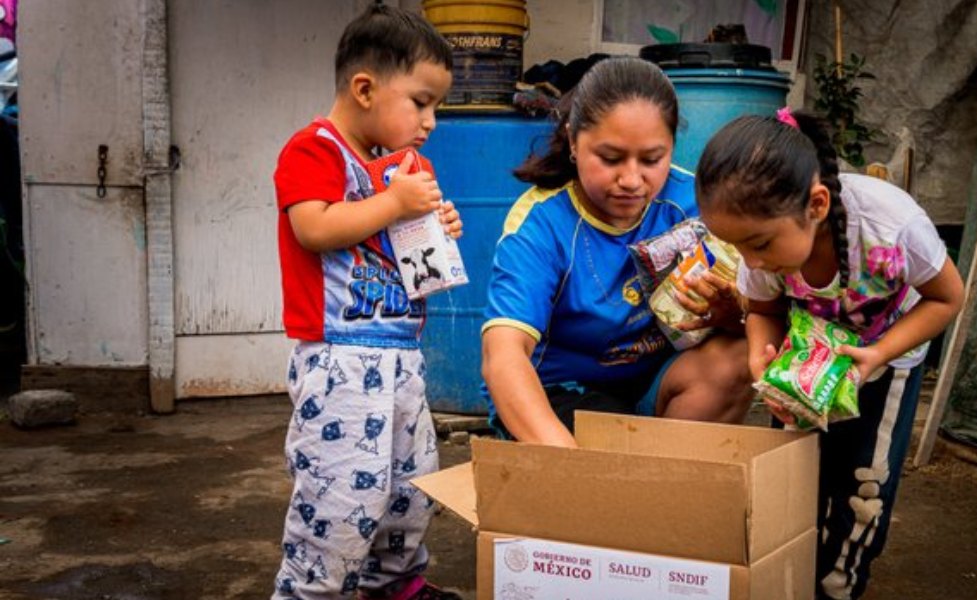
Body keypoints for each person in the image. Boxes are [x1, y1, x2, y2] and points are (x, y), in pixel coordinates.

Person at [695, 109, 965, 599]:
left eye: (758, 244)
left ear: (816, 204)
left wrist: (877, 353)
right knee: (793, 481)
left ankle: (838, 586)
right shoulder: (760, 245)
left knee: (863, 487)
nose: (751, 261)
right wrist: (762, 354)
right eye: (737, 247)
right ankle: (785, 581)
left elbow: (947, 297)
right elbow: (762, 308)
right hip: (806, 367)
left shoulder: (893, 226)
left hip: (889, 361)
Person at [270, 4, 464, 599]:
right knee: (339, 499)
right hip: (340, 362)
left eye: (436, 106)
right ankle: (309, 592)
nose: (430, 121)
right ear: (364, 88)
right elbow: (315, 228)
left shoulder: (409, 167)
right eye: (421, 102)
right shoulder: (314, 151)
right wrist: (396, 204)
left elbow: (415, 255)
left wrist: (440, 225)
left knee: (410, 490)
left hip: (402, 358)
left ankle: (395, 586)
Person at [480, 56, 754, 447]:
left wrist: (735, 314)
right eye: (610, 159)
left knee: (737, 355)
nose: (631, 180)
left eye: (651, 160)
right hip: (559, 396)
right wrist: (567, 462)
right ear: (574, 140)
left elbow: (770, 306)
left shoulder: (698, 203)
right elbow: (503, 357)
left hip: (655, 386)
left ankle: (671, 487)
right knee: (599, 463)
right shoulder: (540, 224)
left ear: (672, 146)